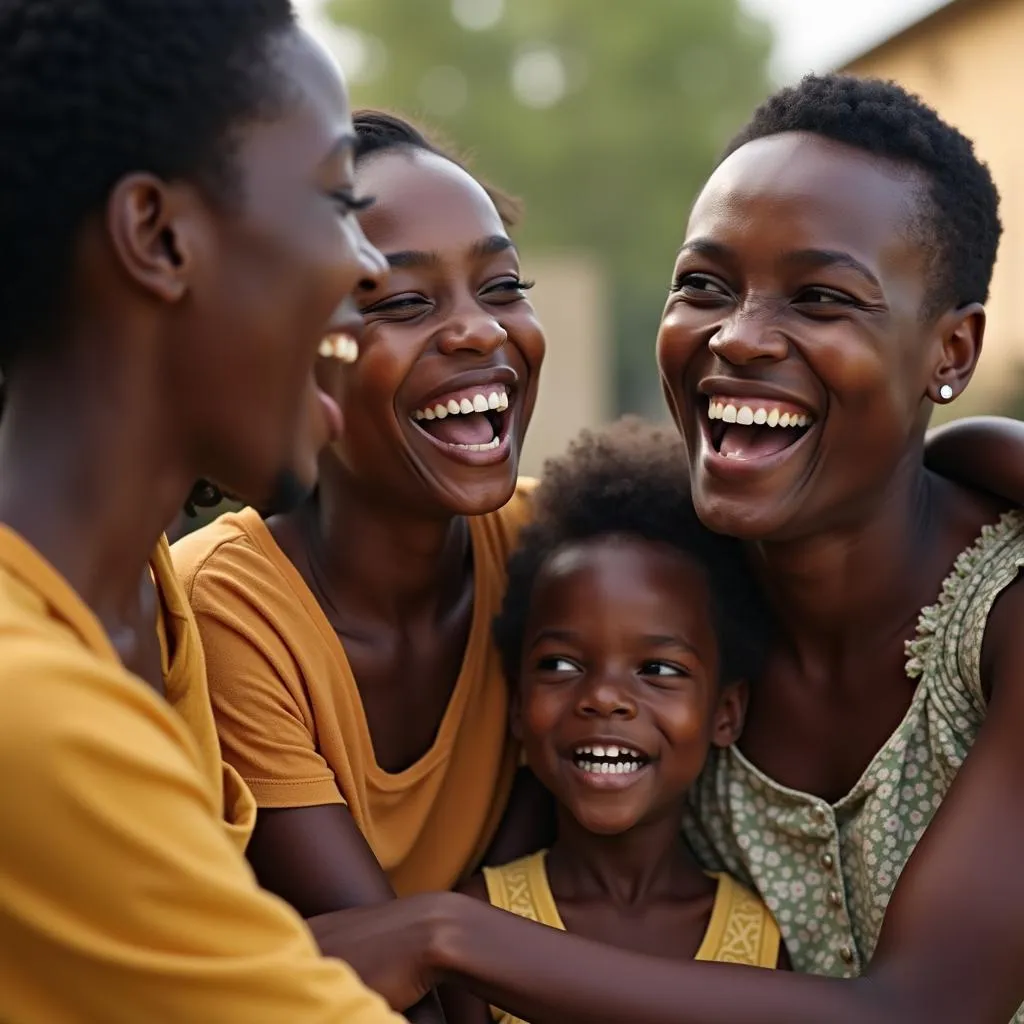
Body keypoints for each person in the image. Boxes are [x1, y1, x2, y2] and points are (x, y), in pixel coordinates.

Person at [311, 74, 1024, 1024]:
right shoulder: (660, 601)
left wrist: (445, 937)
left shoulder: (1003, 620)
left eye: (819, 297)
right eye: (704, 285)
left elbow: (925, 1010)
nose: (739, 336)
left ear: (953, 352)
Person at [0, 2, 406, 1021]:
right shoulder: (32, 711)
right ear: (158, 235)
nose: (369, 263)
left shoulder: (147, 611)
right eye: (336, 198)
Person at [171, 111, 547, 1017]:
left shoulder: (557, 546)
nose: (477, 333)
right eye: (403, 304)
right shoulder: (227, 608)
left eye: (502, 286)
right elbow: (388, 982)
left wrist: (955, 456)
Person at [442, 419, 783, 1024]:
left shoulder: (758, 939)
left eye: (657, 668)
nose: (603, 697)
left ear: (725, 712)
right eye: (562, 663)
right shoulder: (479, 923)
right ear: (519, 705)